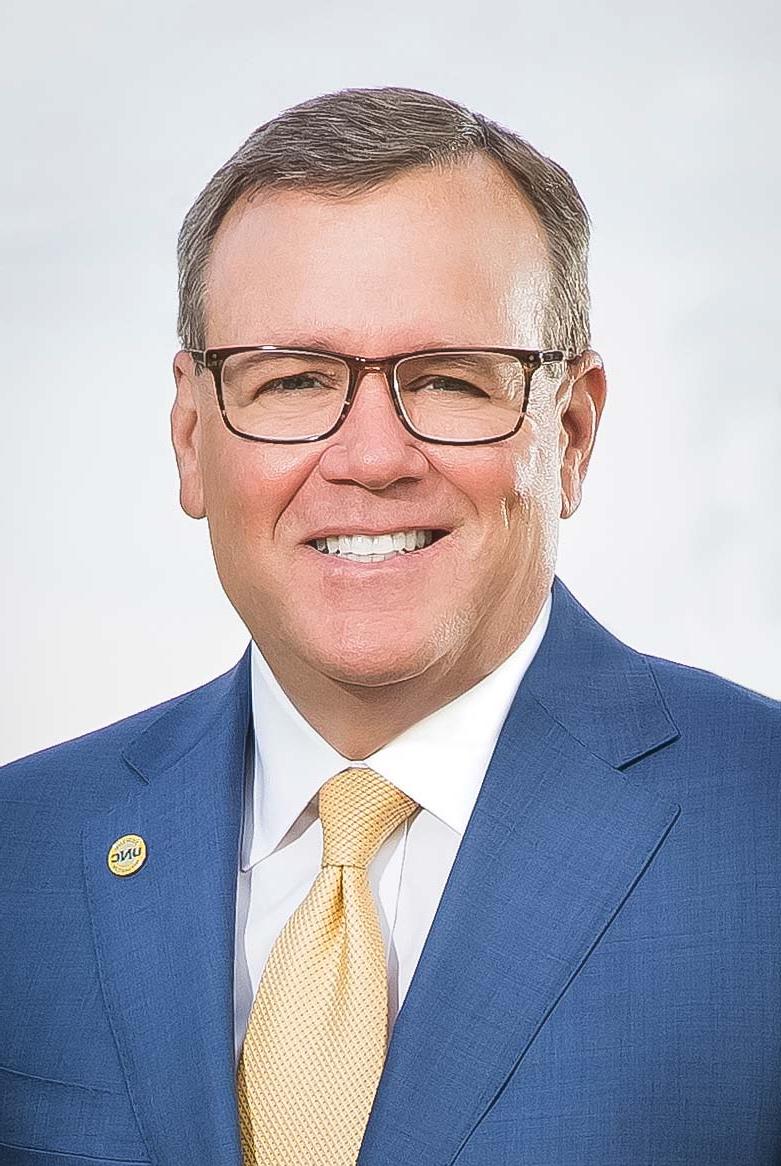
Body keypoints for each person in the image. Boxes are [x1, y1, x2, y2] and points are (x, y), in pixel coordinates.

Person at [0, 85, 778, 1166]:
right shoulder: (19, 849)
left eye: (452, 380)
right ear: (191, 437)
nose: (371, 456)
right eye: (293, 380)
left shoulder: (763, 829)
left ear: (575, 430)